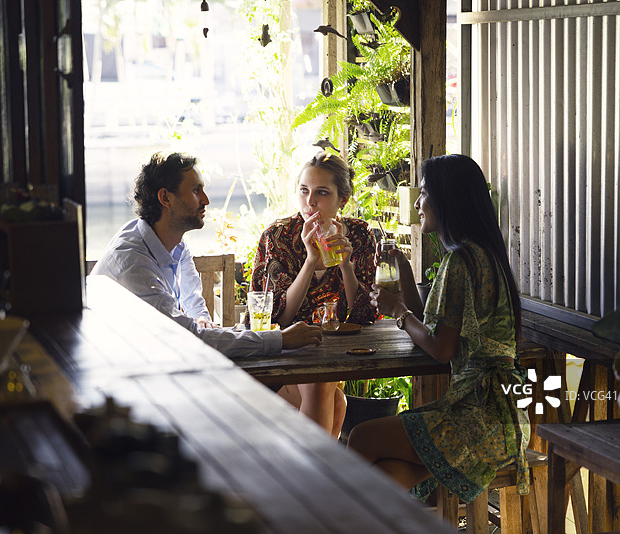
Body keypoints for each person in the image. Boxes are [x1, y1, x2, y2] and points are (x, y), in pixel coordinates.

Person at [347, 154, 530, 505]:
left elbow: (440, 348)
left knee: (361, 438)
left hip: (476, 420)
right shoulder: (485, 255)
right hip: (504, 418)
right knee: (387, 472)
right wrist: (402, 266)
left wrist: (397, 312)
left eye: (426, 192)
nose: (418, 201)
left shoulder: (459, 260)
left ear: (449, 199)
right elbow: (434, 327)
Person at [91, 151, 322, 357]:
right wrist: (280, 340)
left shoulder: (174, 243)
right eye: (195, 191)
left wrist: (202, 321)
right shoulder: (133, 262)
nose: (206, 200)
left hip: (150, 359)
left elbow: (194, 304)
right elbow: (188, 338)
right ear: (165, 198)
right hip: (119, 375)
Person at [250, 151, 376, 436]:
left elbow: (365, 314)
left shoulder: (358, 235)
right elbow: (277, 316)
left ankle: (312, 477)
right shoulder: (278, 236)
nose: (310, 202)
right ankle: (315, 476)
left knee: (335, 398)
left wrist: (346, 265)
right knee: (327, 392)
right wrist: (309, 261)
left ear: (341, 200)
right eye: (304, 191)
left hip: (332, 354)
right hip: (283, 356)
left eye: (321, 193)